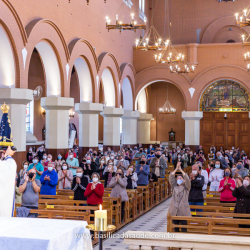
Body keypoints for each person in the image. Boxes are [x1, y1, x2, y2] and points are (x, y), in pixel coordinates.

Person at [169, 162, 191, 232]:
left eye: (180, 178)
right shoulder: (174, 186)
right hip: (174, 210)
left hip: (183, 210)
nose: (179, 179)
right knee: (176, 229)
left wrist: (181, 169)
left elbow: (187, 179)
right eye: (178, 178)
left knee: (184, 228)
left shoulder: (186, 187)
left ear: (183, 180)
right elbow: (171, 178)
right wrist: (176, 169)